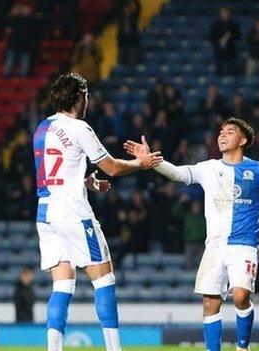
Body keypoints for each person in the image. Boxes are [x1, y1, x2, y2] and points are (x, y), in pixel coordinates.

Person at [124, 118, 259, 351]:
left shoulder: (258, 170)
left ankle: (243, 347)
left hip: (244, 244)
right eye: (221, 132)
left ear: (242, 140)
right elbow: (178, 174)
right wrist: (152, 162)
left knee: (241, 296)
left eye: (230, 132)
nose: (222, 135)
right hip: (214, 247)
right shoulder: (208, 168)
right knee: (210, 303)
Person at [33, 73, 161, 351]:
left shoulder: (42, 129)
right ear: (80, 96)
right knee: (104, 278)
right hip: (73, 212)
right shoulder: (80, 128)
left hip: (46, 213)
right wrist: (141, 163)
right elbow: (112, 167)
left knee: (63, 286)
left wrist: (85, 182)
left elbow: (54, 174)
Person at [209, 7, 240, 76]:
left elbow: (238, 37)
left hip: (230, 52)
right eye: (224, 12)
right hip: (219, 52)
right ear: (220, 14)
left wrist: (230, 36)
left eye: (227, 12)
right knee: (218, 72)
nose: (225, 14)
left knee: (230, 72)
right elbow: (211, 38)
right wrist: (218, 40)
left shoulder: (233, 24)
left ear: (229, 13)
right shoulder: (215, 24)